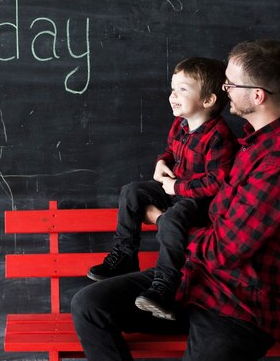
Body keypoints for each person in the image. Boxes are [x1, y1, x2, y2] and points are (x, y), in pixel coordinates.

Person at [71, 39, 280, 361]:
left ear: (258, 96)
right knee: (89, 305)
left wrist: (160, 219)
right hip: (196, 279)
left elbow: (225, 250)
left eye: (230, 85)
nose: (224, 90)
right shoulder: (255, 140)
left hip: (238, 307)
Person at [87, 56, 238, 320]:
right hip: (173, 189)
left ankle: (164, 287)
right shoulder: (180, 124)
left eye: (183, 89)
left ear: (208, 100)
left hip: (200, 202)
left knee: (171, 220)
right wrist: (161, 162)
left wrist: (177, 186)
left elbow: (218, 181)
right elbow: (171, 151)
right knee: (131, 192)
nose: (173, 95)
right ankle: (124, 255)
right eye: (172, 88)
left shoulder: (218, 135)